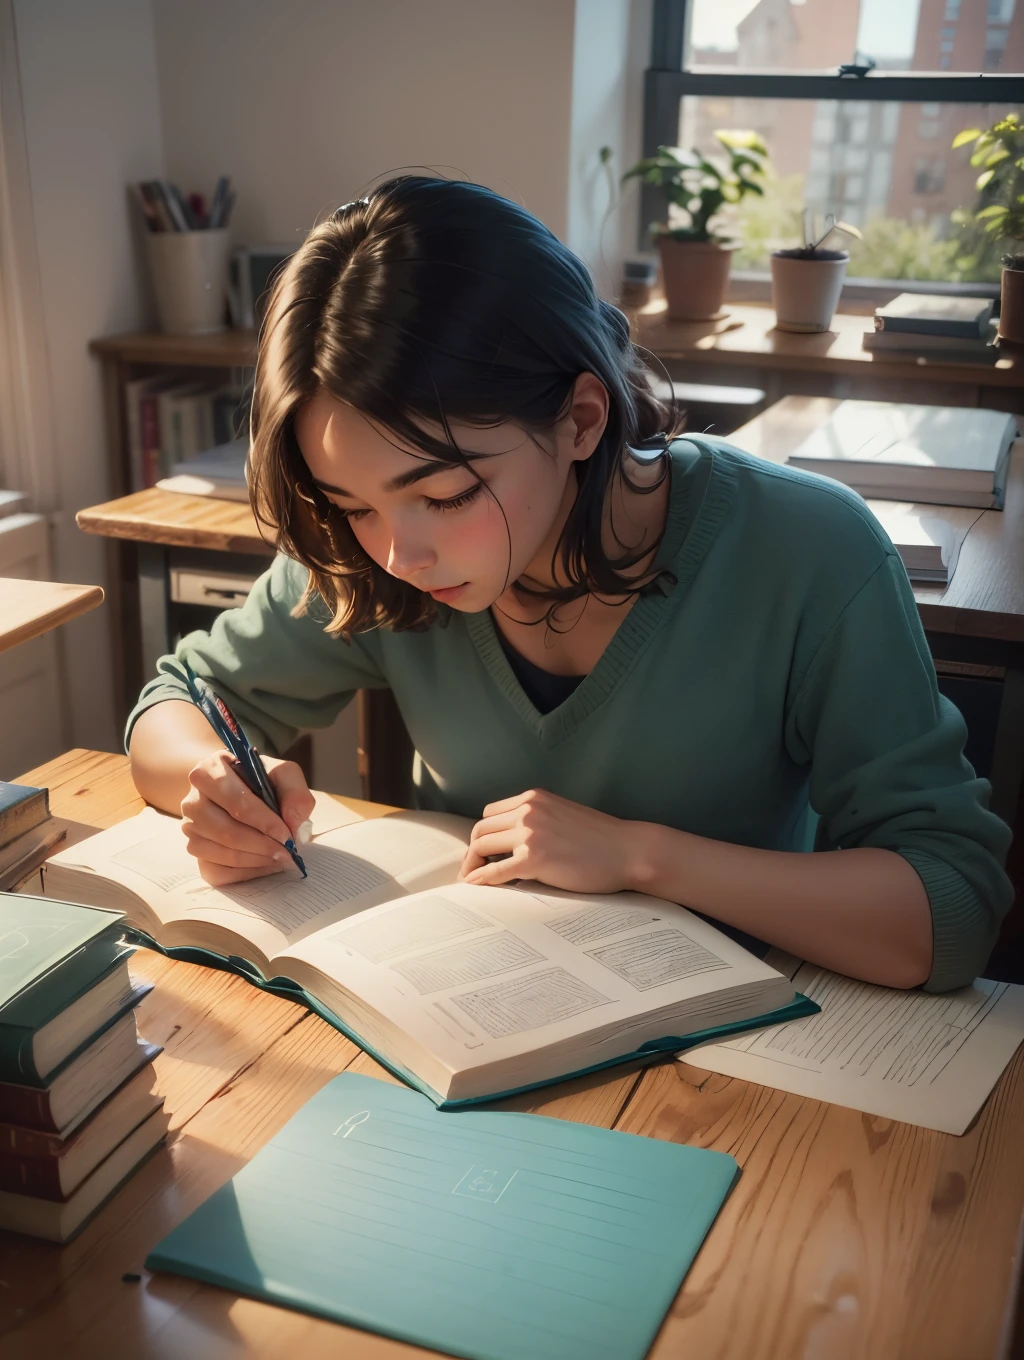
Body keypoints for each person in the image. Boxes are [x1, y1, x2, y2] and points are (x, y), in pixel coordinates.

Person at [128, 176, 1012, 995]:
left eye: (446, 494)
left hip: (749, 1056)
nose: (400, 554)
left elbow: (952, 908)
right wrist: (215, 781)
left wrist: (640, 856)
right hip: (476, 1008)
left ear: (582, 418)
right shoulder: (375, 553)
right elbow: (177, 699)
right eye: (352, 503)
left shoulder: (807, 550)